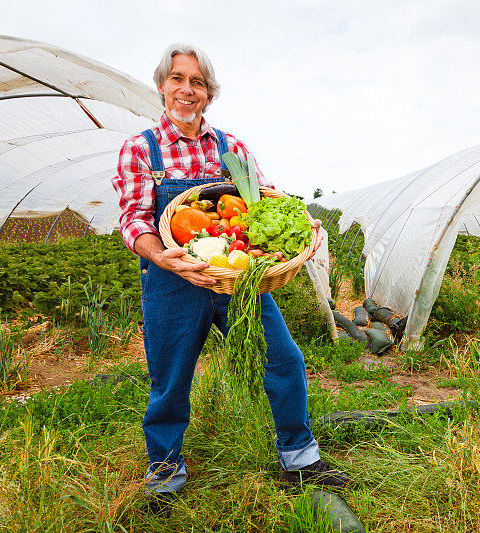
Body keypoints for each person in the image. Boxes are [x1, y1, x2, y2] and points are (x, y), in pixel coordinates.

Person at [111, 43, 348, 516]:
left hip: (236, 279)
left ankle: (298, 458)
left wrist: (303, 223)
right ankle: (164, 473)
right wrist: (166, 258)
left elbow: (264, 201)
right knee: (170, 379)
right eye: (177, 79)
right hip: (173, 280)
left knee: (283, 359)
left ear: (209, 93)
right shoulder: (142, 148)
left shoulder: (231, 148)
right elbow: (134, 220)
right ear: (162, 87)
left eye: (197, 82)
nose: (187, 89)